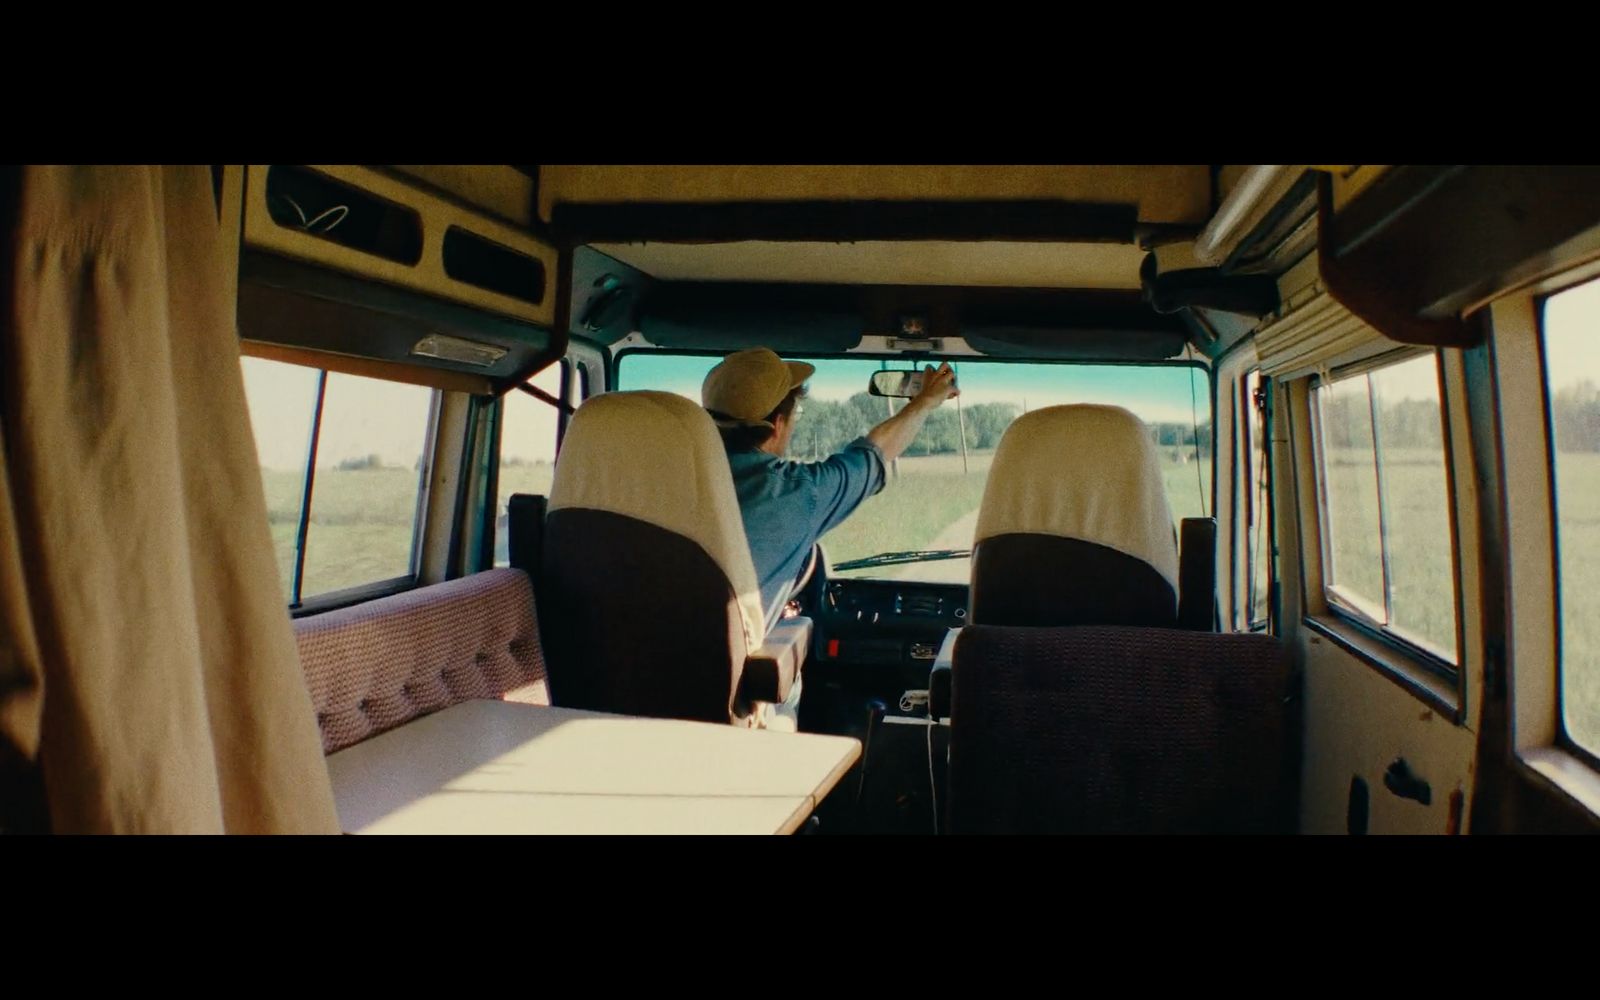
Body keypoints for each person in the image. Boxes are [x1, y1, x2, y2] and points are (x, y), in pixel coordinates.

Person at [701, 347, 959, 728]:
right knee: (790, 677)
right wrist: (925, 402)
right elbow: (875, 452)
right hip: (718, 709)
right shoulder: (794, 493)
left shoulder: (650, 486)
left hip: (618, 690)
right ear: (777, 424)